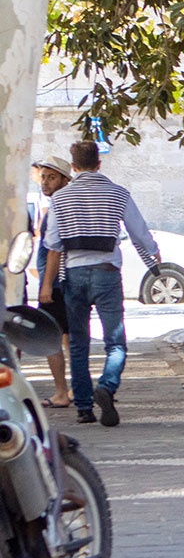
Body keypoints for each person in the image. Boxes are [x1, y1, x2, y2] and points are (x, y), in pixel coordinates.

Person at [38, 141, 160, 426]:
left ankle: (83, 408)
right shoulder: (118, 193)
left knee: (78, 343)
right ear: (99, 163)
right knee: (115, 341)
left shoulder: (60, 199)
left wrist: (47, 284)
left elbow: (53, 243)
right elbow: (139, 233)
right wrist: (153, 253)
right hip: (107, 272)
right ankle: (106, 386)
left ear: (74, 166)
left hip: (75, 273)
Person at [29, 156, 75, 408]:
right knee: (70, 338)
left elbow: (54, 249)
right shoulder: (66, 204)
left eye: (52, 177)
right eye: (43, 177)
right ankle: (75, 389)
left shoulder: (58, 205)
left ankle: (61, 391)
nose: (45, 183)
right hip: (67, 280)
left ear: (65, 180)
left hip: (57, 283)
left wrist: (46, 284)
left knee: (50, 337)